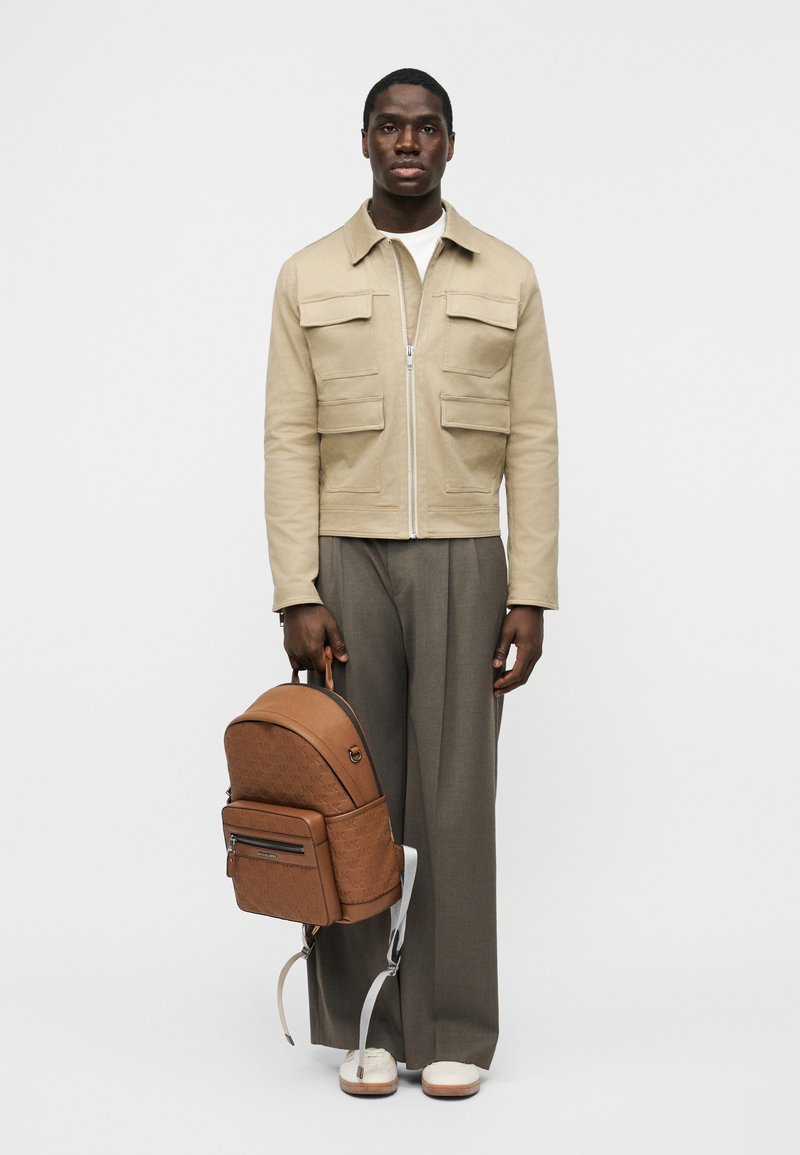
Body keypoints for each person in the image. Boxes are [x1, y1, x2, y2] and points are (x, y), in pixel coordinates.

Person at [263, 67, 558, 1098]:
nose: (406, 143)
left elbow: (533, 439)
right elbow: (287, 437)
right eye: (389, 126)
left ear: (448, 144)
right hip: (344, 562)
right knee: (353, 795)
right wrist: (295, 587)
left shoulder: (507, 275)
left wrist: (530, 590)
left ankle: (453, 1027)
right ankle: (364, 1023)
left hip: (467, 560)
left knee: (455, 798)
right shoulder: (307, 275)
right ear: (363, 140)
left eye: (425, 128)